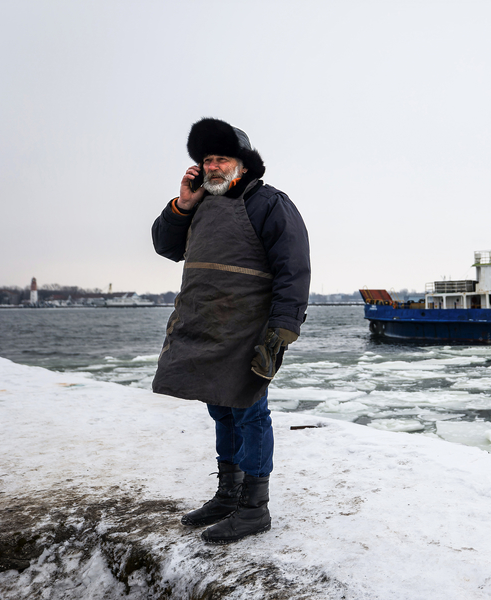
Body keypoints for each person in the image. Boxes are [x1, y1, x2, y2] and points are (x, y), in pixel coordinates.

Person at [151, 118, 310, 544]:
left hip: (248, 330)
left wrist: (281, 333)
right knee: (220, 408)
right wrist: (182, 205)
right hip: (205, 326)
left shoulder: (269, 204)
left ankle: (254, 508)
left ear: (243, 163)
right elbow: (166, 246)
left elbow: (293, 272)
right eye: (207, 160)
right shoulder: (199, 204)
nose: (213, 167)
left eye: (221, 158)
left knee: (249, 412)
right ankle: (229, 494)